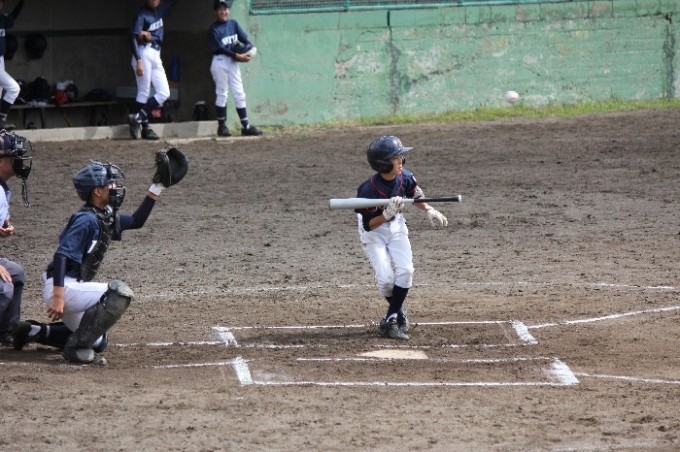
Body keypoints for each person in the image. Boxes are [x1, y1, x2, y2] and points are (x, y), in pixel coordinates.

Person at [12, 160, 170, 365]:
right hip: (63, 287)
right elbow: (61, 255)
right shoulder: (85, 220)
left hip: (73, 288)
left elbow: (136, 221)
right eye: (110, 183)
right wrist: (59, 297)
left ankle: (35, 331)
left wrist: (157, 187)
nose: (115, 187)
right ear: (97, 191)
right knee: (118, 293)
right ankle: (75, 349)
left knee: (97, 340)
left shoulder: (103, 216)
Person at [354, 136, 448, 340]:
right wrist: (386, 214)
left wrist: (428, 209)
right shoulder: (368, 190)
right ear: (383, 164)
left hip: (396, 227)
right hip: (374, 233)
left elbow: (416, 196)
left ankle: (390, 319)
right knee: (386, 280)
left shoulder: (405, 177)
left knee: (406, 271)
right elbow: (369, 225)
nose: (401, 161)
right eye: (396, 158)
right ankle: (398, 308)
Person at [127, 0, 180, 141]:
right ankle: (145, 129)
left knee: (164, 92)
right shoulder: (142, 14)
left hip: (156, 54)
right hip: (143, 53)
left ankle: (137, 118)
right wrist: (138, 60)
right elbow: (132, 37)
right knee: (144, 92)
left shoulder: (161, 8)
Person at [208, 0, 263, 138]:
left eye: (225, 8)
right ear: (215, 12)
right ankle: (222, 127)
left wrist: (249, 50)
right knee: (222, 93)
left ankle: (246, 127)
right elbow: (221, 49)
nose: (223, 12)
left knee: (239, 93)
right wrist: (238, 55)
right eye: (220, 9)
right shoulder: (213, 29)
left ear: (229, 10)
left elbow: (246, 41)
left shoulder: (233, 24)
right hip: (220, 61)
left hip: (232, 61)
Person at [0, 130, 32, 346]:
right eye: (15, 157)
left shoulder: (3, 188)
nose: (20, 161)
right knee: (4, 289)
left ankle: (6, 330)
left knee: (16, 274)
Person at [0, 0, 25, 130]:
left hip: (0, 59)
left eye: (1, 2)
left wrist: (22, 2)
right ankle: (1, 119)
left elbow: (13, 17)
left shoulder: (1, 19)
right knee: (14, 88)